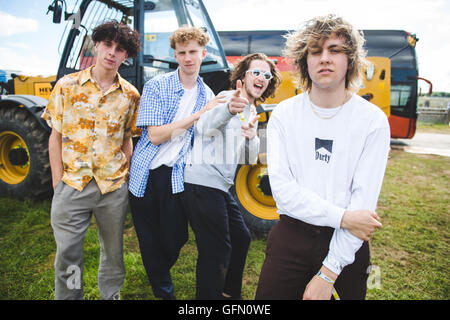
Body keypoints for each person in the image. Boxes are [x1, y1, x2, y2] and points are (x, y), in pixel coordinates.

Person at [255, 14, 391, 300]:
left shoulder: (372, 121)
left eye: (335, 50)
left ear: (350, 60)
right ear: (305, 61)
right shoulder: (284, 114)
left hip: (347, 244)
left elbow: (363, 204)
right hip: (291, 236)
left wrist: (328, 272)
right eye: (315, 51)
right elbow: (283, 193)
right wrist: (344, 217)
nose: (324, 58)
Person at [42, 20, 141, 300]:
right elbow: (55, 138)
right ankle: (71, 297)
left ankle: (110, 295)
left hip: (112, 189)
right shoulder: (67, 86)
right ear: (96, 45)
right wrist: (57, 183)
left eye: (120, 49)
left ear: (126, 56)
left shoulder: (130, 95)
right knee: (68, 254)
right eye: (107, 44)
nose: (112, 52)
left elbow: (127, 139)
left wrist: (126, 177)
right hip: (71, 184)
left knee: (113, 252)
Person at [128, 26, 219, 300]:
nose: (188, 57)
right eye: (182, 52)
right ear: (175, 55)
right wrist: (197, 116)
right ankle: (163, 289)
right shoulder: (157, 86)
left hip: (177, 176)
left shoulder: (209, 96)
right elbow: (155, 136)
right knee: (147, 236)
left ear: (203, 54)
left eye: (193, 52)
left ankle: (156, 268)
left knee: (175, 237)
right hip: (146, 172)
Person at [181, 53, 281, 300]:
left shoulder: (251, 110)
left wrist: (251, 136)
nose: (261, 78)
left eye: (266, 75)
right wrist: (227, 109)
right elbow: (203, 127)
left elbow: (248, 157)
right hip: (201, 182)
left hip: (219, 186)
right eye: (255, 72)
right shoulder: (228, 97)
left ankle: (228, 294)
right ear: (243, 76)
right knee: (216, 249)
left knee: (241, 237)